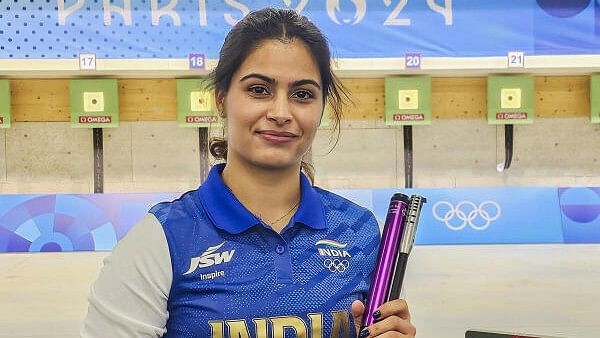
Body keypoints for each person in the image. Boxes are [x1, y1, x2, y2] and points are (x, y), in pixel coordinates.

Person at [81, 8, 416, 338]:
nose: (281, 112)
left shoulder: (359, 230)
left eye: (302, 94)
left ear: (320, 108)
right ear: (222, 99)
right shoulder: (162, 239)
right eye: (259, 90)